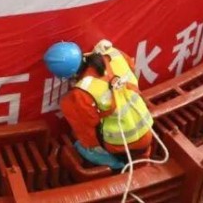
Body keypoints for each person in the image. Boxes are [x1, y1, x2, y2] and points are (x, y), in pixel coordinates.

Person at [45, 40, 154, 170]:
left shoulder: (81, 93)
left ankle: (119, 165)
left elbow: (89, 136)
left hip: (121, 145)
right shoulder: (115, 55)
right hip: (147, 129)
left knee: (80, 146)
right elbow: (131, 67)